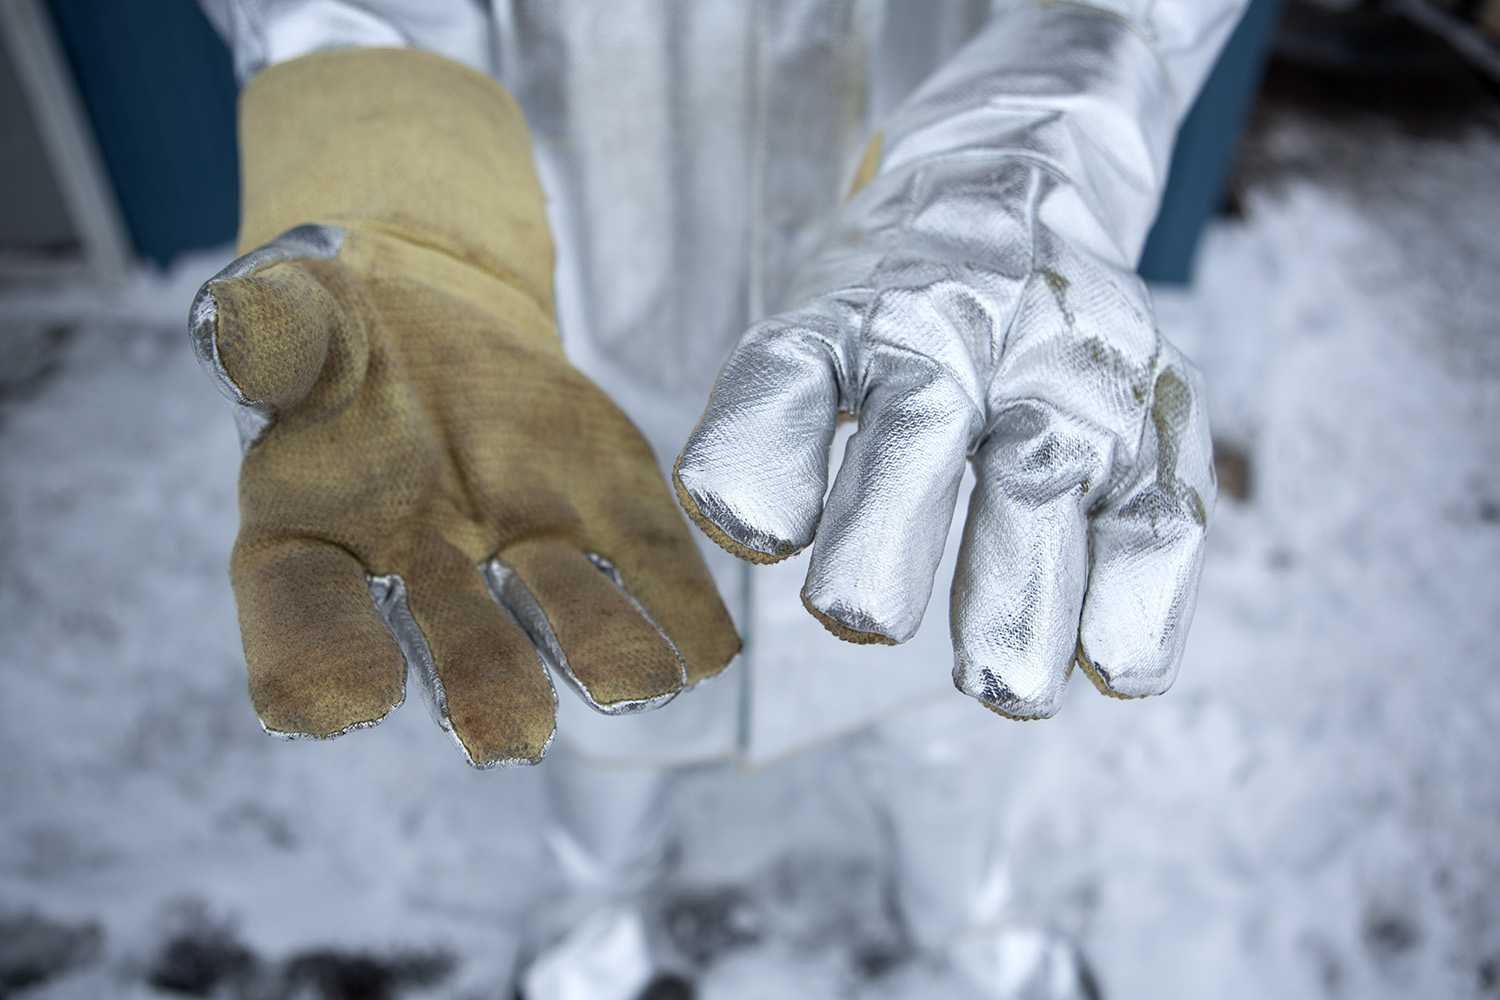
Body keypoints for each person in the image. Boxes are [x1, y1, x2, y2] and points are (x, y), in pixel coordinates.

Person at [188, 2, 1244, 996]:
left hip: (935, 304)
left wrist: (1030, 153)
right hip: (575, 302)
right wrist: (397, 181)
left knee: (951, 680)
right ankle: (594, 900)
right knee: (598, 667)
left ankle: (965, 908)